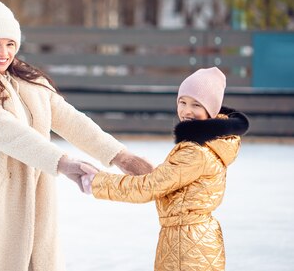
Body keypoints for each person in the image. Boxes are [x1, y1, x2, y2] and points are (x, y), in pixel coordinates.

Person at [0, 0, 153, 271]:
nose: (4, 52)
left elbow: (71, 120)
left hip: (37, 194)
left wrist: (120, 155)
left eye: (10, 43)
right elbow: (11, 134)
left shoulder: (31, 82)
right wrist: (63, 162)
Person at [80, 67, 250, 271]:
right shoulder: (211, 144)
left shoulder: (195, 152)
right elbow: (175, 185)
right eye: (183, 102)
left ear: (211, 110)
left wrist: (97, 181)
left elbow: (148, 188)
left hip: (186, 246)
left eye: (197, 104)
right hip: (195, 239)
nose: (187, 110)